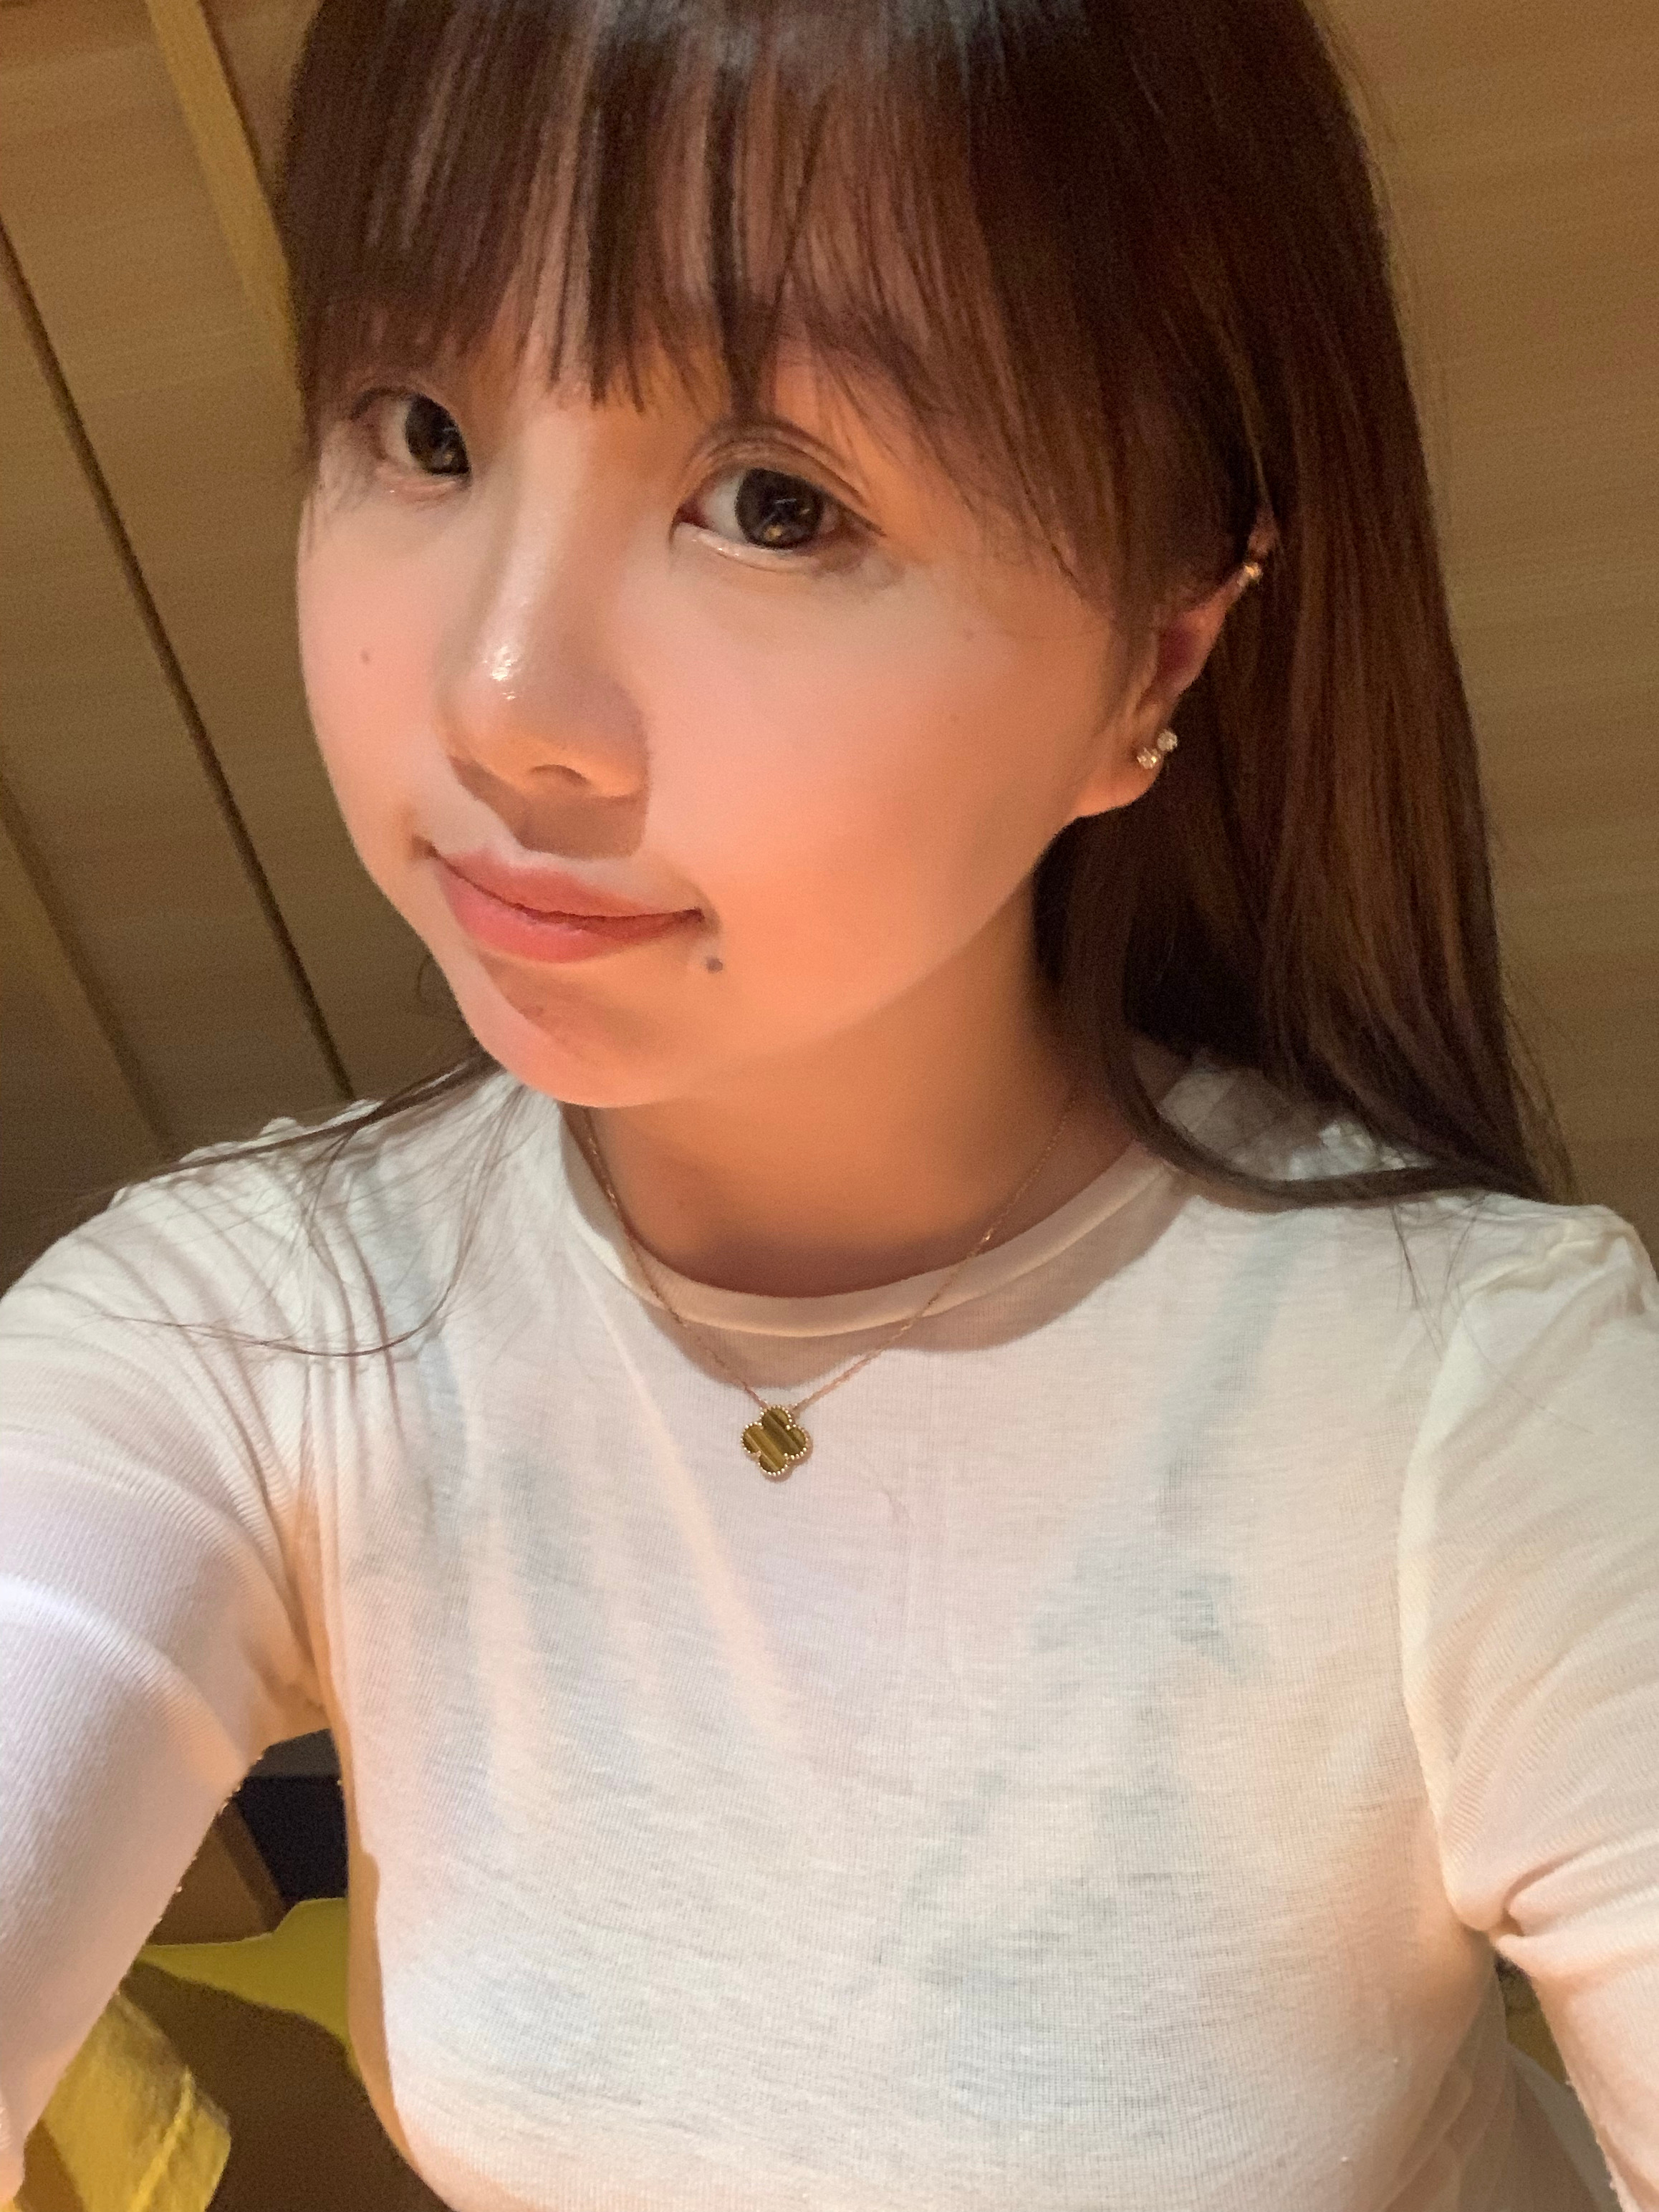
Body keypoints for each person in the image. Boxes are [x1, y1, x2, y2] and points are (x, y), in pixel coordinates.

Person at [1, 0, 1653, 2204]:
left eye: (773, 505)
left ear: (1154, 658)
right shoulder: (256, 1338)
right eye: (422, 428)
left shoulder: (1472, 1400)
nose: (500, 701)